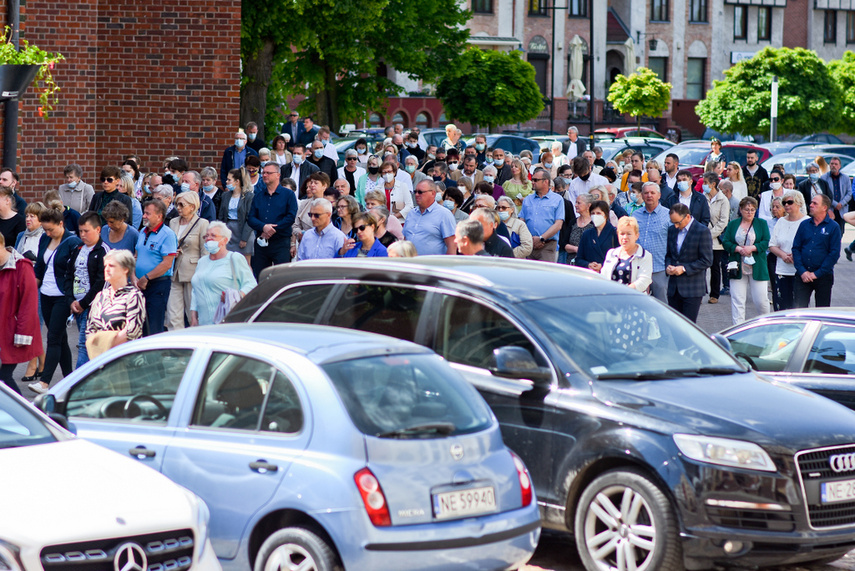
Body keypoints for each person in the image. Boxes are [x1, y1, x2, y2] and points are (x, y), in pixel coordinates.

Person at [30, 208, 82, 393]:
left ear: (61, 224)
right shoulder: (45, 239)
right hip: (46, 293)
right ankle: (70, 381)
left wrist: (73, 297)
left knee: (53, 338)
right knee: (60, 338)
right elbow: (39, 268)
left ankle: (44, 383)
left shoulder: (73, 242)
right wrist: (30, 290)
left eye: (50, 229)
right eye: (45, 230)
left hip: (62, 296)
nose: (47, 233)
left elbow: (76, 272)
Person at [189, 222, 257, 326]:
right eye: (206, 236)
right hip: (203, 323)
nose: (208, 238)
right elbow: (195, 291)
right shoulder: (202, 261)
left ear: (224, 240)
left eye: (213, 235)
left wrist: (235, 296)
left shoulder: (234, 258)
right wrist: (193, 317)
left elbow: (251, 284)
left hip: (227, 323)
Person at [0, 232, 43, 395]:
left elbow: (29, 303)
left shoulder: (22, 266)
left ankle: (23, 408)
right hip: (3, 329)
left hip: (13, 330)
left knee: (4, 377)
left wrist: (22, 334)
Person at [67, 211, 109, 369]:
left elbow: (101, 281)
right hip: (77, 304)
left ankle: (78, 379)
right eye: (80, 231)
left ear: (98, 230)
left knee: (84, 345)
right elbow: (69, 275)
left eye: (86, 231)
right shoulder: (78, 248)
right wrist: (71, 300)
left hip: (92, 306)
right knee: (90, 346)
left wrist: (84, 303)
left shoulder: (103, 251)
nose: (82, 235)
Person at [722, 197, 771, 324]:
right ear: (741, 209)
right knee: (737, 299)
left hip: (757, 265)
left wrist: (753, 248)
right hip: (737, 265)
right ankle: (738, 327)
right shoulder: (733, 224)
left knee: (761, 300)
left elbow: (766, 241)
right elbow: (726, 242)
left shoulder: (761, 223)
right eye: (746, 209)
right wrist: (737, 248)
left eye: (752, 210)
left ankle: (766, 325)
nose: (749, 212)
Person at [85, 249, 145, 352]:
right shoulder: (100, 295)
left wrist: (104, 346)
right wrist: (96, 348)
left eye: (111, 266)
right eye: (105, 266)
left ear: (125, 269)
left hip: (124, 355)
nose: (106, 269)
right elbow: (90, 328)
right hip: (100, 356)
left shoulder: (134, 295)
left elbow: (131, 332)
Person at [167, 191, 209, 331]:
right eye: (176, 204)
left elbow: (205, 251)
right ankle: (176, 341)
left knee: (193, 315)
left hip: (193, 273)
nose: (178, 208)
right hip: (174, 272)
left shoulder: (202, 223)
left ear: (192, 206)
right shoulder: (173, 222)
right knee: (173, 314)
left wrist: (202, 274)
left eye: (181, 205)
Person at [135, 199, 178, 336]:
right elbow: (136, 255)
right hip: (139, 284)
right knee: (139, 324)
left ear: (159, 216)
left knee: (153, 325)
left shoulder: (167, 234)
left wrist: (146, 277)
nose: (144, 216)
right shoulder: (143, 231)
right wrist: (134, 277)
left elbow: (167, 263)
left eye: (148, 213)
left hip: (157, 284)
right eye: (144, 213)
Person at [665, 203, 713, 323]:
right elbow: (669, 255)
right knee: (674, 325)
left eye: (678, 222)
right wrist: (668, 266)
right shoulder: (672, 230)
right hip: (674, 288)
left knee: (688, 326)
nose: (676, 226)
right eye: (673, 222)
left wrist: (684, 268)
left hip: (692, 288)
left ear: (687, 216)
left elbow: (707, 260)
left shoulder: (702, 231)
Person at [248, 162, 298, 278]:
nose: (265, 175)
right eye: (263, 173)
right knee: (261, 276)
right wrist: (263, 227)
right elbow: (251, 218)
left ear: (277, 175)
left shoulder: (288, 195)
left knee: (282, 276)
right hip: (261, 242)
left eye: (268, 173)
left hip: (281, 243)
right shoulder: (258, 195)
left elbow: (290, 217)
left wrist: (272, 229)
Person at [792, 194, 841, 308]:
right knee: (799, 310)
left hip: (823, 276)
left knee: (822, 311)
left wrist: (816, 274)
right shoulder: (804, 224)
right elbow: (796, 248)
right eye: (811, 202)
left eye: (815, 203)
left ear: (824, 207)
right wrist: (802, 271)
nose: (811, 205)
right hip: (802, 275)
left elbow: (834, 254)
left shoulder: (833, 227)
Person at [769, 191, 810, 311]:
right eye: (784, 202)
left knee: (798, 307)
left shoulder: (807, 221)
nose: (786, 205)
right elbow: (772, 245)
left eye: (790, 202)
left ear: (799, 203)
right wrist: (783, 255)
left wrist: (796, 256)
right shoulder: (781, 221)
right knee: (781, 305)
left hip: (800, 271)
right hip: (782, 269)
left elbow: (810, 245)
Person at [520, 171, 564, 262]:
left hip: (547, 245)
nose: (532, 182)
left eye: (536, 180)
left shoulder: (557, 200)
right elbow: (521, 221)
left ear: (546, 181)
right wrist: (529, 239)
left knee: (545, 271)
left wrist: (541, 238)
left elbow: (558, 224)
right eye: (532, 180)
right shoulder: (527, 199)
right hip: (528, 244)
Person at [403, 180, 457, 255]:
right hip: (409, 261)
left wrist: (448, 262)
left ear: (433, 193)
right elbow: (405, 238)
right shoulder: (411, 213)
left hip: (432, 262)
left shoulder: (444, 214)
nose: (417, 195)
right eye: (415, 192)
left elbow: (452, 245)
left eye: (420, 192)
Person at [600, 216, 653, 291]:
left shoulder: (645, 256)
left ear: (636, 236)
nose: (625, 237)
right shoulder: (611, 253)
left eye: (629, 234)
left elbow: (644, 280)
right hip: (612, 295)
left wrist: (625, 291)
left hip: (633, 296)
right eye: (622, 234)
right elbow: (603, 276)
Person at [218, 167, 255, 263]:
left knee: (245, 263)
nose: (226, 182)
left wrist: (244, 238)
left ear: (237, 181)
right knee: (227, 261)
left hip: (243, 230)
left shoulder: (249, 196)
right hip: (229, 230)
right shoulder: (225, 195)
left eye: (229, 180)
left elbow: (250, 218)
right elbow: (221, 216)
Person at [705, 173, 729, 305]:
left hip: (716, 240)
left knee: (715, 267)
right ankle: (701, 291)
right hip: (702, 238)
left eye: (705, 183)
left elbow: (723, 222)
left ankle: (714, 294)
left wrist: (710, 234)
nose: (703, 185)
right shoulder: (702, 198)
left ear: (713, 184)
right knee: (701, 267)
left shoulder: (723, 200)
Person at [574, 200, 618, 272]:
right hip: (589, 274)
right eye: (593, 213)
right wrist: (588, 265)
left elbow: (618, 258)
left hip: (607, 274)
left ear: (605, 215)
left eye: (598, 213)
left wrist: (602, 265)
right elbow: (579, 259)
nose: (595, 216)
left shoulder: (615, 233)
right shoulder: (587, 234)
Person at [564, 193, 593, 264]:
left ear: (588, 206)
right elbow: (564, 243)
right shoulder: (573, 222)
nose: (575, 205)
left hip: (589, 261)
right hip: (571, 261)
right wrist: (576, 249)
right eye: (576, 202)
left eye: (579, 203)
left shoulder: (594, 223)